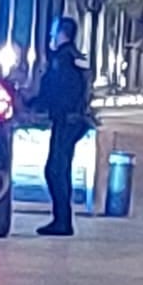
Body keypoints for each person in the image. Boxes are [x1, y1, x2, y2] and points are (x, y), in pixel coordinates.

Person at [32, 17, 91, 237]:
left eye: (53, 32)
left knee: (55, 169)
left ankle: (62, 221)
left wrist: (34, 106)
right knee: (60, 169)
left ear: (61, 33)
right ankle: (62, 219)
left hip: (67, 120)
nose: (50, 37)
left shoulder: (62, 59)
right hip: (74, 120)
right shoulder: (76, 57)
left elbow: (56, 90)